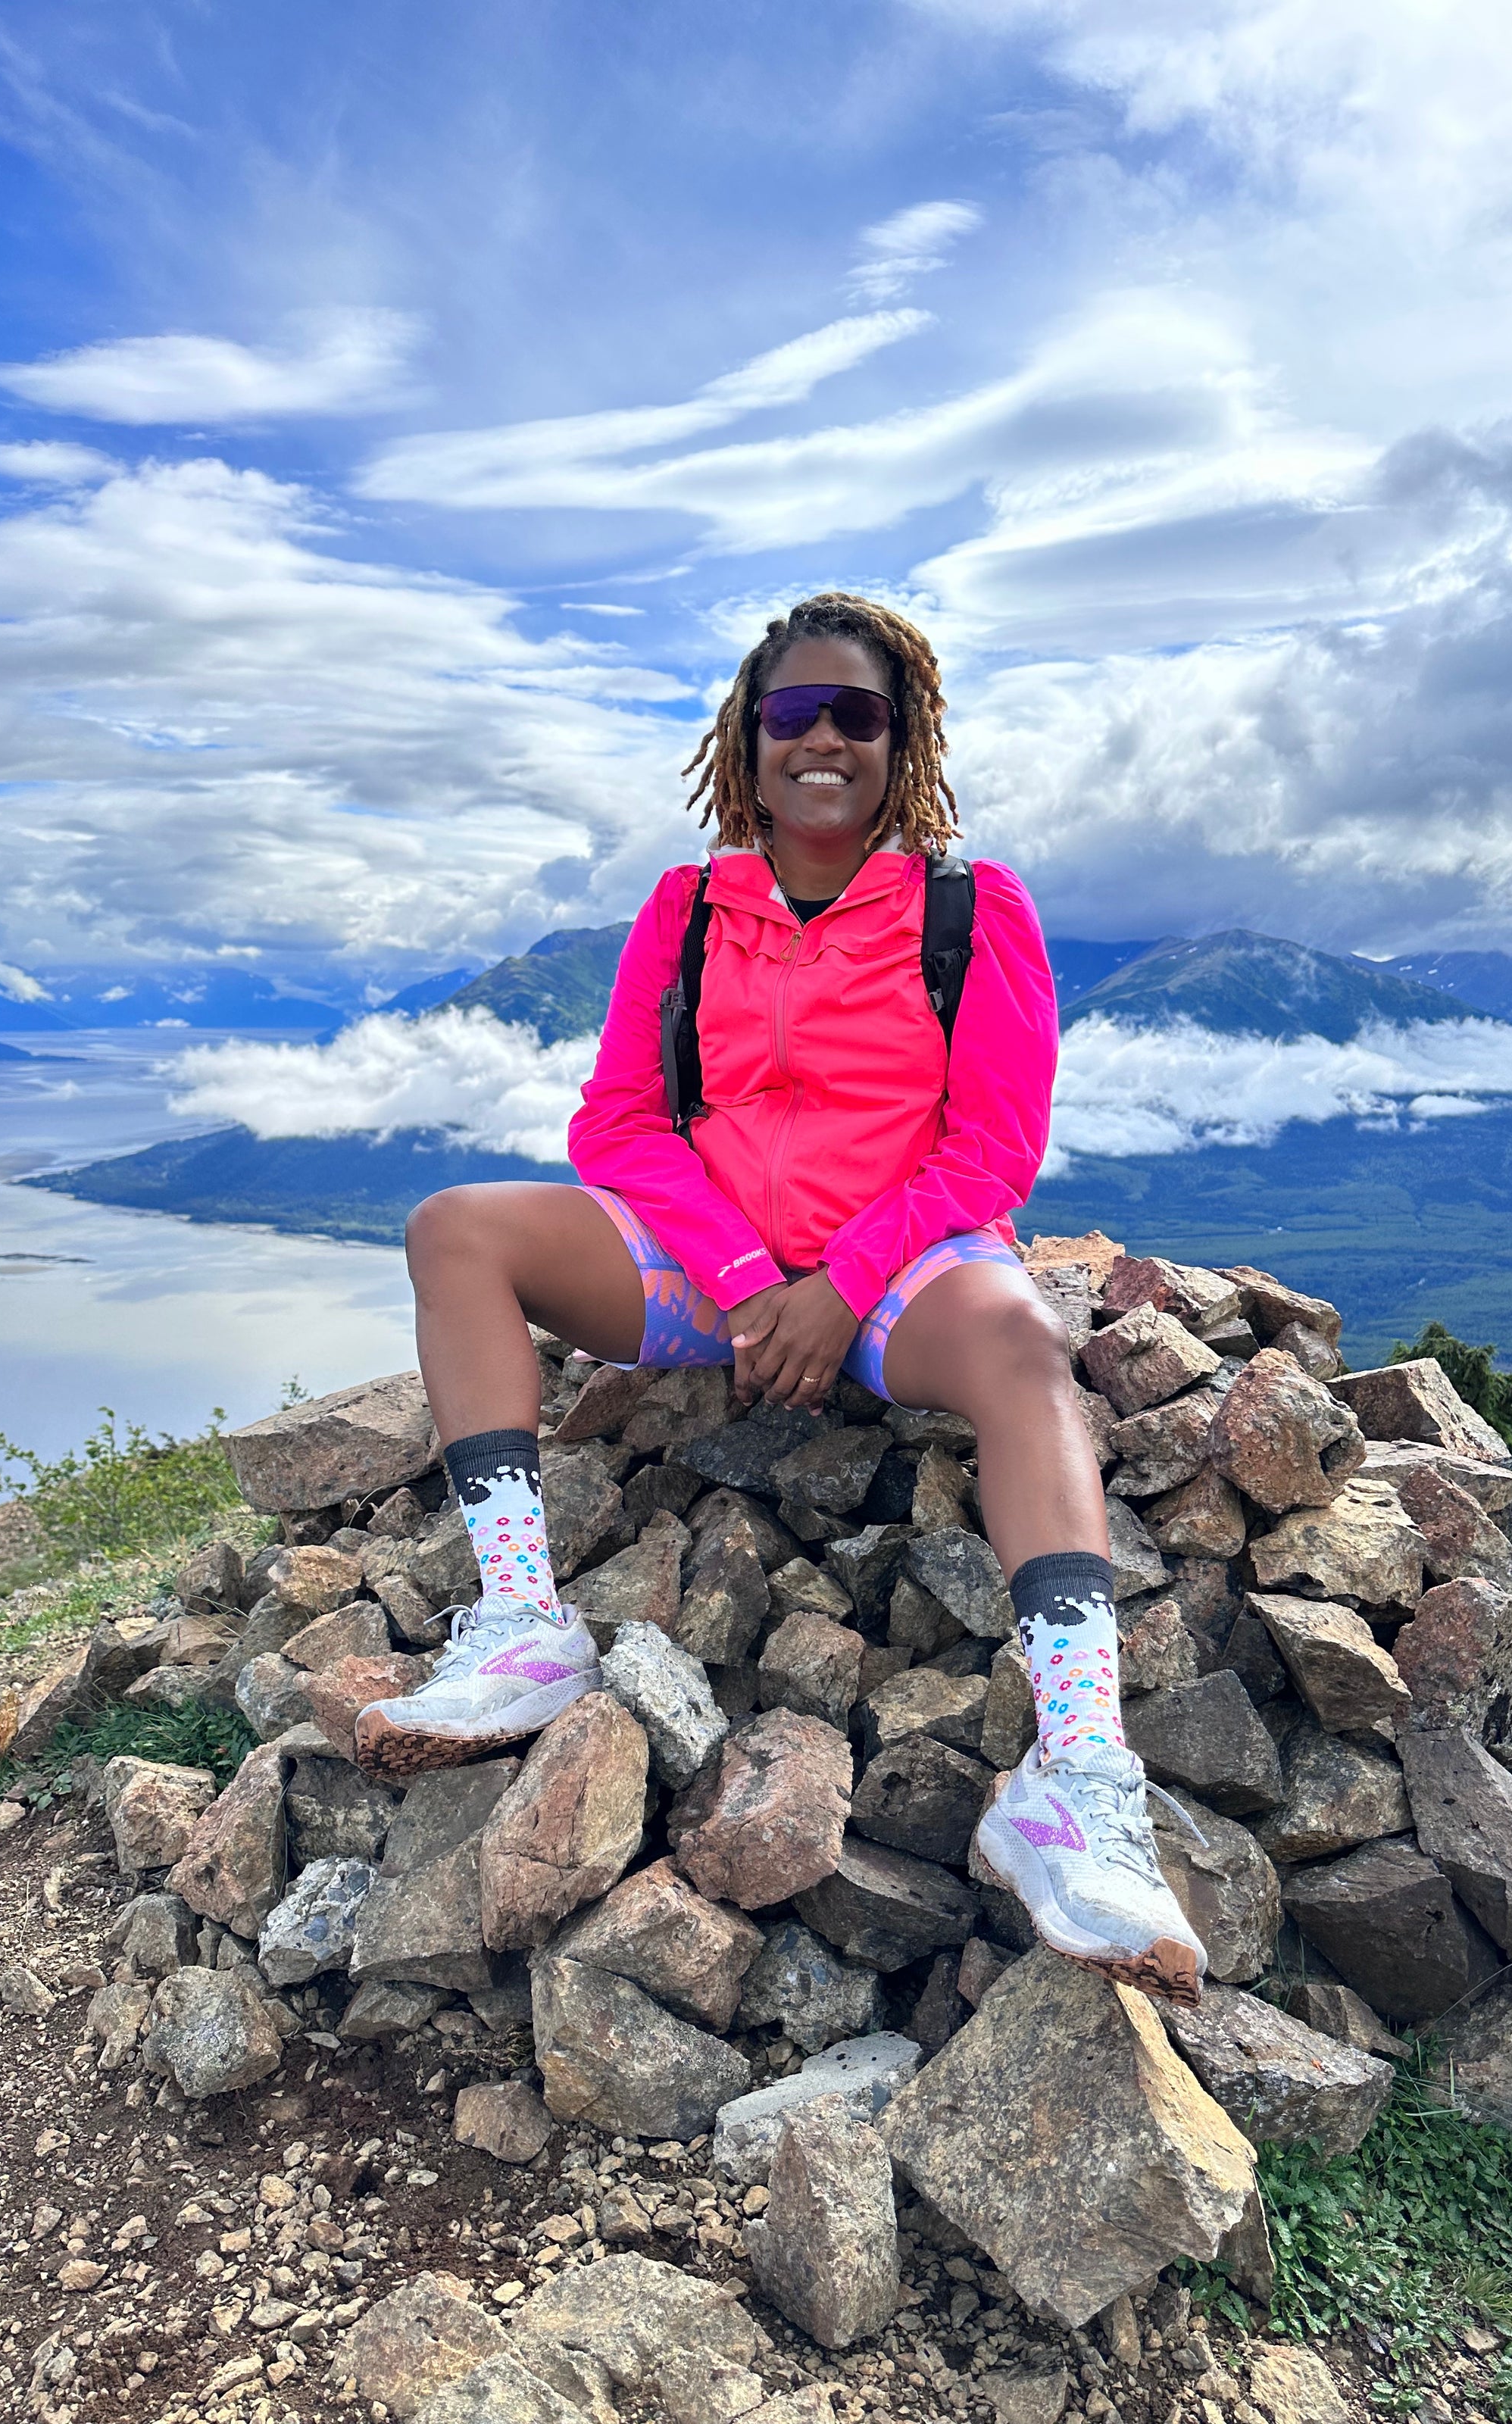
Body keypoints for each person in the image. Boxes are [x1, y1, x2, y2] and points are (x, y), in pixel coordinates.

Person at [356, 591, 1205, 2005]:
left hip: (902, 1276)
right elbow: (618, 1130)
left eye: (855, 715)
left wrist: (838, 1285)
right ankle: (524, 1624)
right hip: (712, 1274)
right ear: (747, 741)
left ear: (903, 736)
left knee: (1017, 1339)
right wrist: (751, 1282)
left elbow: (992, 1146)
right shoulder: (688, 910)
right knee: (456, 1230)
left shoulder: (967, 907)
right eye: (790, 714)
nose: (821, 740)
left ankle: (1076, 1772)